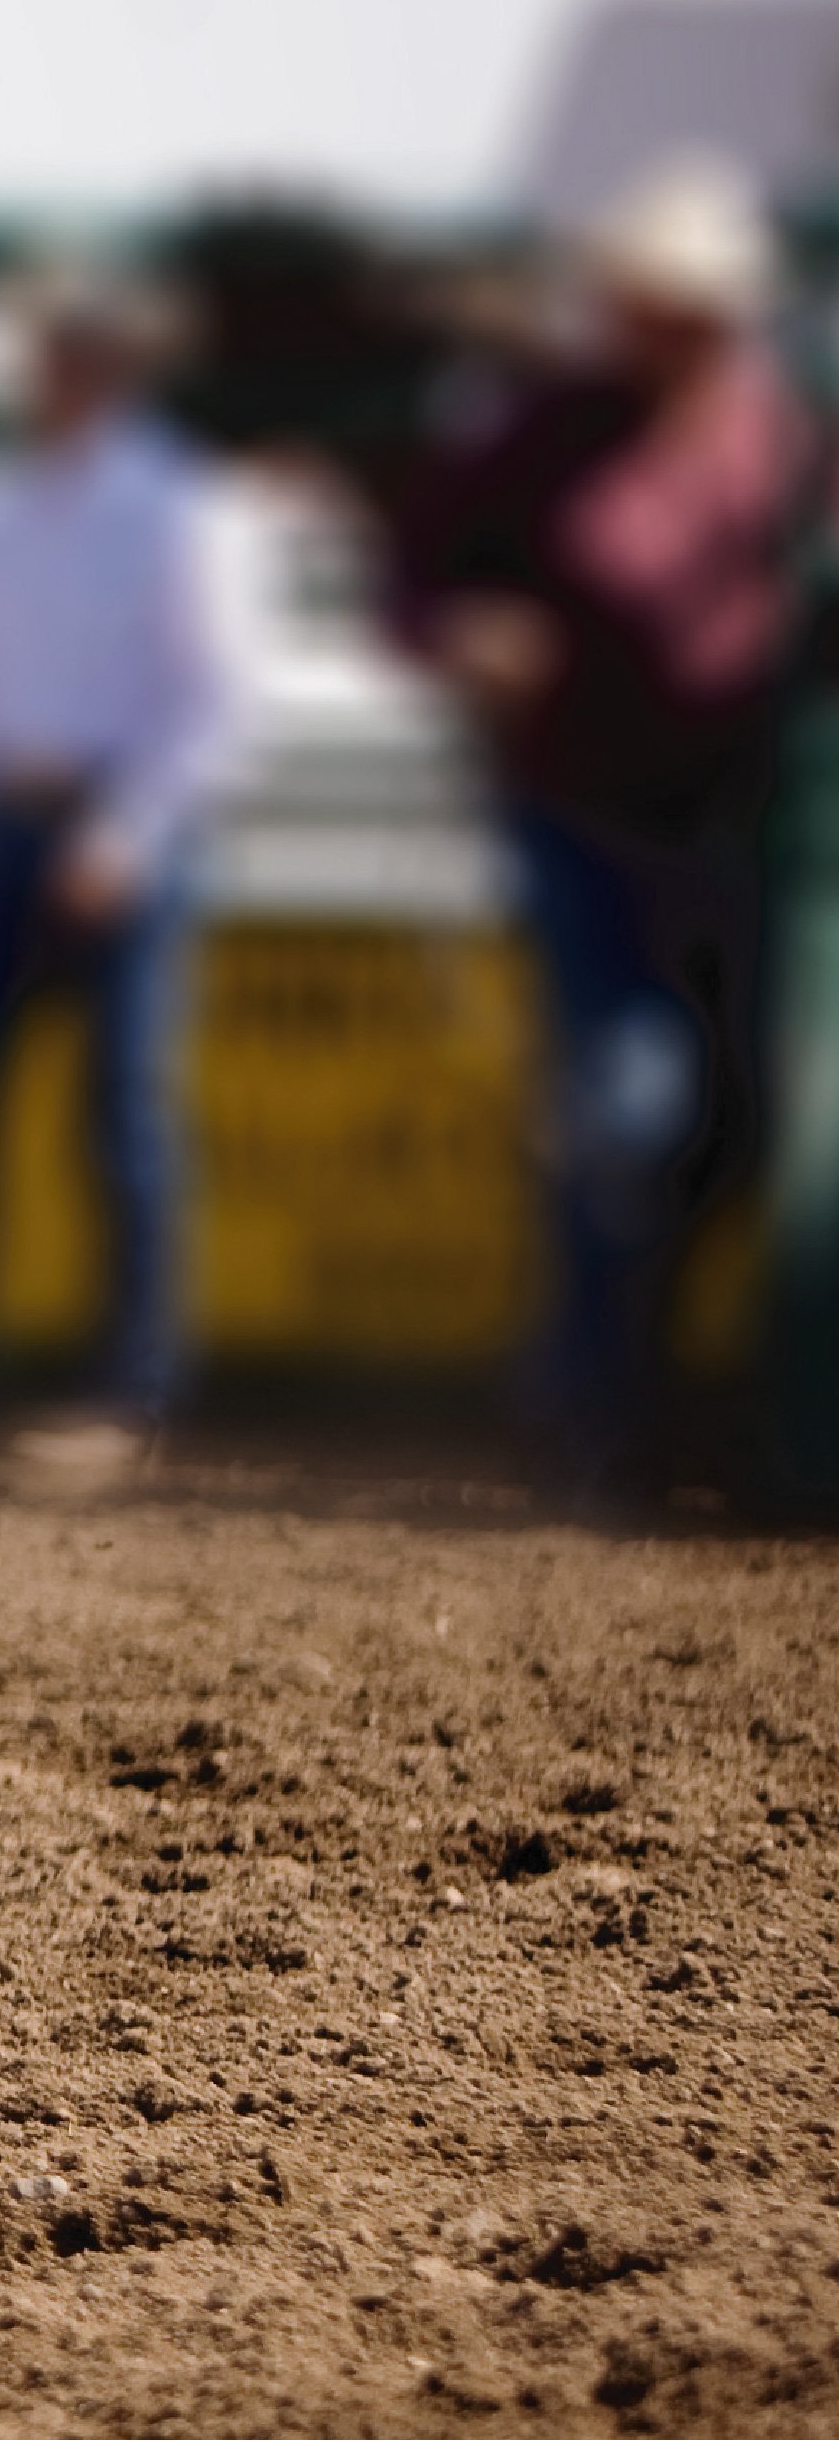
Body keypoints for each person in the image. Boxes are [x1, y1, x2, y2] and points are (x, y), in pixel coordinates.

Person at [382, 152, 820, 1497]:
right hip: (581, 808)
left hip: (733, 815)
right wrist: (463, 636)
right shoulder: (551, 427)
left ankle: (653, 1393)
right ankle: (595, 1409)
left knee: (735, 1117)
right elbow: (418, 571)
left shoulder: (778, 432)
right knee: (633, 1102)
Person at [0, 282, 257, 1477]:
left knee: (120, 1116)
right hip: (2, 824)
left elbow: (217, 701)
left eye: (81, 348)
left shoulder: (181, 507)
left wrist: (125, 834)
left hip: (110, 833)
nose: (59, 367)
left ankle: (126, 1396)